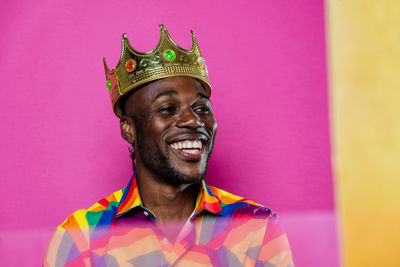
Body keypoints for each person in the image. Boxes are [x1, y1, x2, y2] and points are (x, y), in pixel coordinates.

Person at [44, 24, 293, 267]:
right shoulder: (81, 238)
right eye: (167, 109)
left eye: (202, 108)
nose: (193, 120)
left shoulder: (257, 229)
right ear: (128, 129)